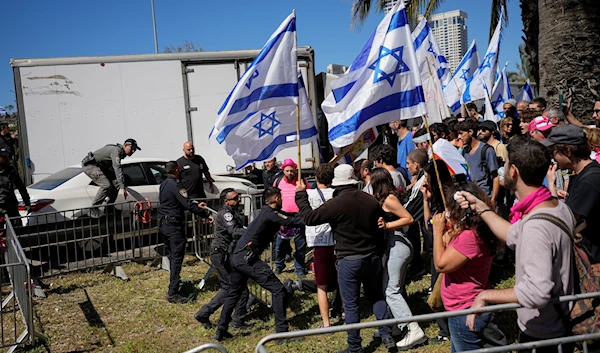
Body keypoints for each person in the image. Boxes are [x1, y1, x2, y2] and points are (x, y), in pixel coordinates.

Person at [457, 136, 575, 353]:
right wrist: (481, 206)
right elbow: (513, 234)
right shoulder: (555, 206)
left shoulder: (535, 226)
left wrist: (485, 296)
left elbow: (537, 292)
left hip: (543, 336)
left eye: (506, 164)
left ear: (514, 172)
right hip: (557, 328)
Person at [295, 164, 396, 353]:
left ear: (337, 184)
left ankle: (355, 347)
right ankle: (387, 336)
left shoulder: (336, 204)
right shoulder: (370, 200)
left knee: (351, 304)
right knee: (377, 297)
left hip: (349, 259)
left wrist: (301, 195)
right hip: (372, 256)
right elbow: (381, 223)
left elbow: (309, 218)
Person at [214, 187, 304, 342]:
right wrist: (315, 217)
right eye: (281, 197)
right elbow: (292, 221)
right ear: (277, 198)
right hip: (247, 259)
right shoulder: (271, 214)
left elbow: (289, 216)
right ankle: (282, 335)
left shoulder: (266, 212)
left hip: (237, 257)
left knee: (233, 294)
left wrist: (303, 215)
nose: (282, 200)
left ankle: (221, 330)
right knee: (278, 290)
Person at [432, 182, 499, 352]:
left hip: (464, 308)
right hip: (465, 305)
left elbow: (441, 264)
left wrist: (437, 231)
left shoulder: (469, 237)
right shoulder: (478, 229)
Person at [371, 168, 427, 350]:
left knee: (391, 290)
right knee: (394, 288)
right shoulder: (386, 198)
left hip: (399, 247)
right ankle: (396, 326)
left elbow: (408, 218)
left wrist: (388, 225)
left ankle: (413, 329)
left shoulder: (389, 199)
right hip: (396, 247)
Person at [542, 125, 600, 263]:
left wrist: (551, 185)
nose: (553, 158)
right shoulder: (586, 174)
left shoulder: (589, 181)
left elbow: (563, 223)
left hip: (593, 260)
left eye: (554, 152)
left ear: (568, 151)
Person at [158, 161, 212, 304]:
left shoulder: (164, 184)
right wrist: (206, 214)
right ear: (176, 170)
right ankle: (173, 292)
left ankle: (174, 283)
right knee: (176, 258)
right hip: (173, 226)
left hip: (164, 224)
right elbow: (186, 204)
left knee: (172, 256)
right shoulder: (176, 185)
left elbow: (179, 201)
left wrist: (194, 203)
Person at [194, 188, 248, 329]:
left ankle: (232, 319)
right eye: (235, 198)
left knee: (233, 287)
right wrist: (252, 230)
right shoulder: (226, 214)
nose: (239, 200)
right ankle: (234, 320)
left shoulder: (231, 212)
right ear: (226, 201)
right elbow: (234, 231)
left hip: (225, 253)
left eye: (239, 197)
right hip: (221, 254)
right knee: (235, 288)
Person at [420, 160, 453, 344]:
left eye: (426, 177)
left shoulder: (450, 197)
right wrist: (426, 199)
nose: (424, 182)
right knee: (436, 290)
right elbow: (428, 225)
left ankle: (446, 332)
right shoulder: (436, 198)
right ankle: (444, 329)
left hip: (448, 252)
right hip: (438, 250)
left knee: (440, 293)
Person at [304, 164, 339, 328]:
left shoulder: (308, 194)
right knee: (342, 280)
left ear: (316, 178)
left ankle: (326, 322)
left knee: (322, 285)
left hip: (319, 241)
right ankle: (346, 312)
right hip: (337, 241)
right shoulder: (337, 194)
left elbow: (301, 209)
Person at [82, 138, 139, 218]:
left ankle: (109, 208)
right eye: (132, 148)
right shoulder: (117, 151)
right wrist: (122, 187)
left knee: (116, 183)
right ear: (125, 145)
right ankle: (93, 209)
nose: (133, 151)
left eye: (135, 150)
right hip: (91, 166)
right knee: (106, 185)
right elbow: (117, 168)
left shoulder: (119, 151)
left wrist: (120, 184)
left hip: (100, 166)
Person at [272, 158, 308, 278]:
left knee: (300, 244)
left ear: (295, 170)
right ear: (283, 171)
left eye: (291, 171)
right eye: (287, 171)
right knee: (280, 243)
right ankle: (279, 266)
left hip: (299, 216)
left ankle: (299, 269)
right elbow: (273, 197)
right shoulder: (278, 181)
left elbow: (308, 195)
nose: (289, 173)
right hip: (283, 216)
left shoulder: (301, 181)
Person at [457, 119, 500, 202]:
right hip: (471, 198)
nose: (459, 137)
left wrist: (493, 200)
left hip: (485, 198)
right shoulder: (464, 152)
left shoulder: (487, 150)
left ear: (470, 132)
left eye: (461, 133)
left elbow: (496, 177)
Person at [0, 148, 30, 227]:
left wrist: (27, 203)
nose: (5, 159)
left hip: (11, 205)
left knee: (17, 229)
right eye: (2, 157)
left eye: (6, 156)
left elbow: (21, 187)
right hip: (1, 207)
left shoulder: (11, 170)